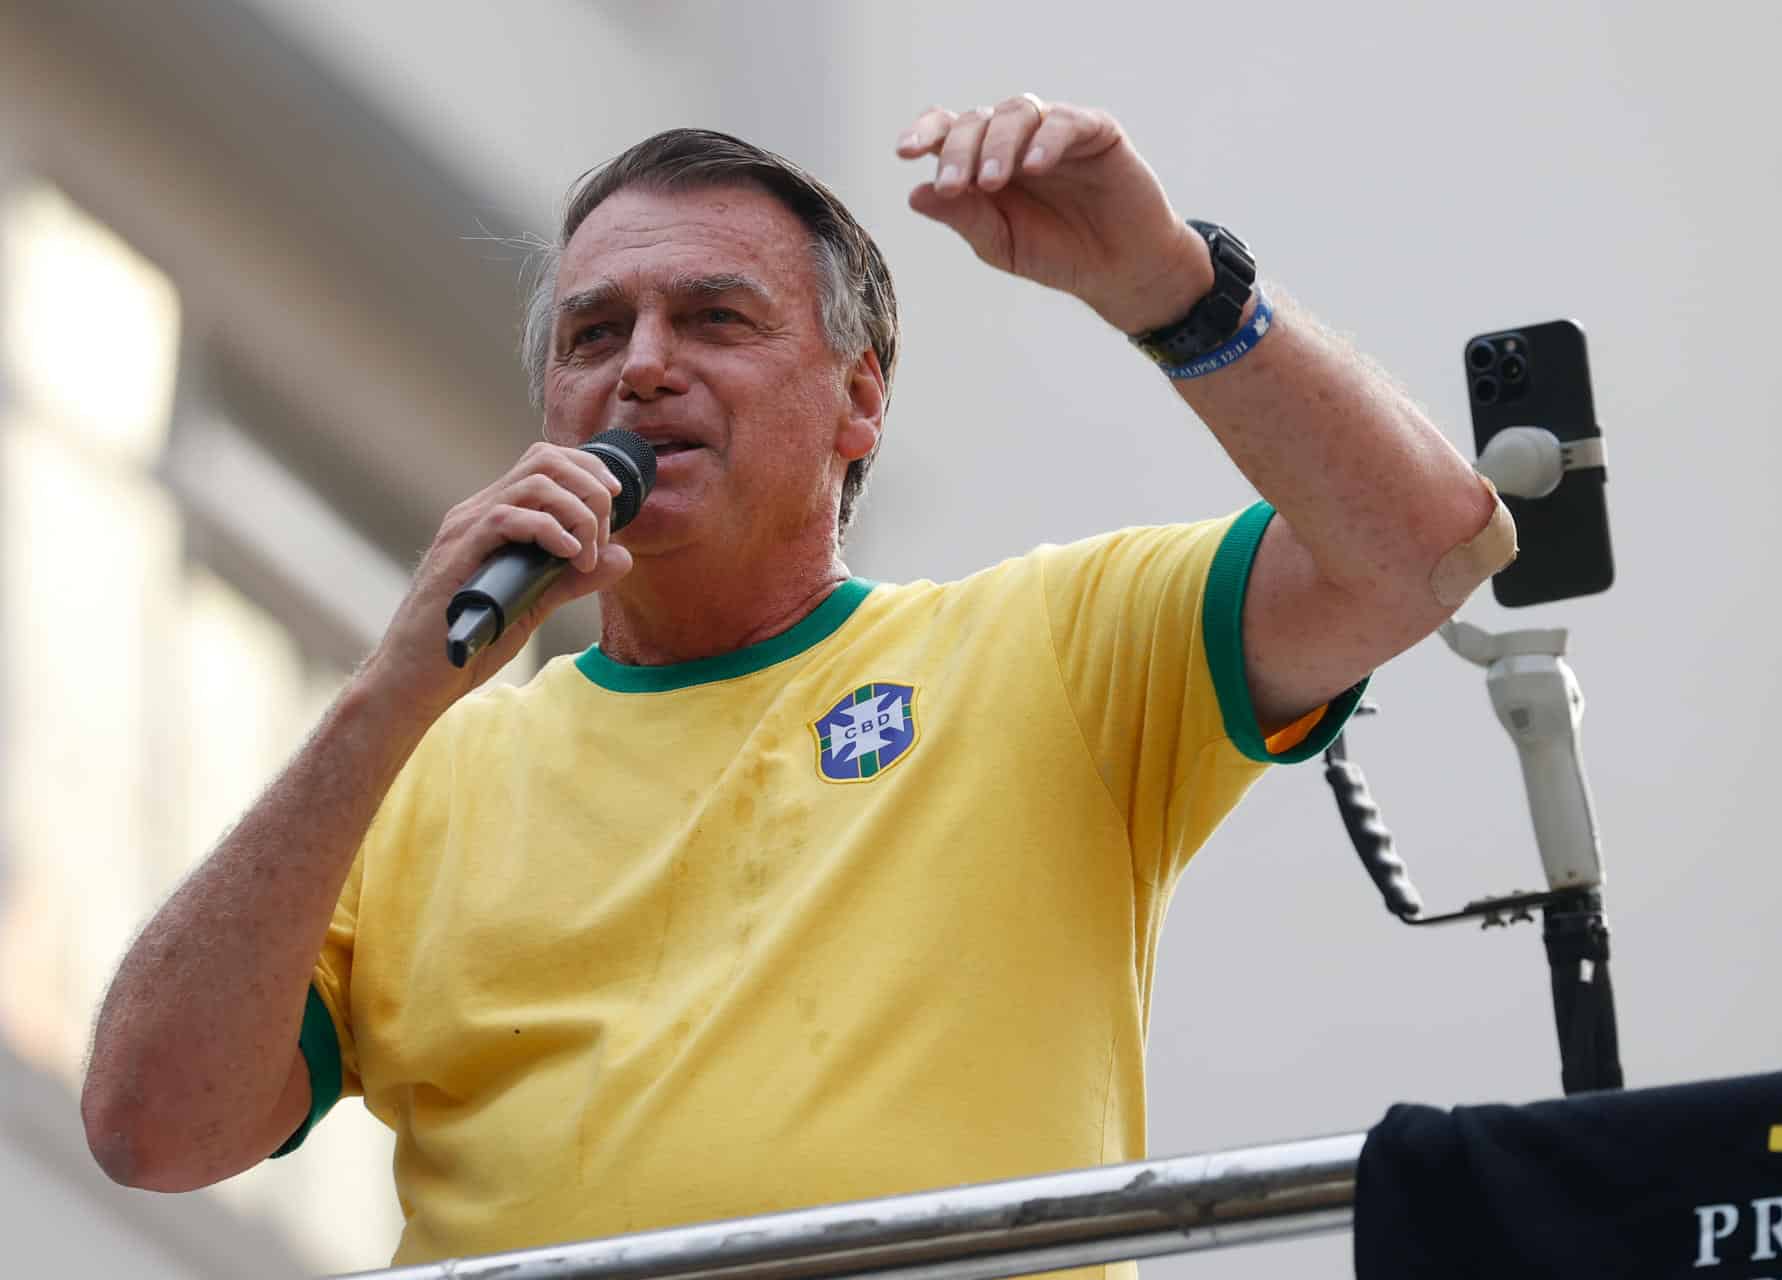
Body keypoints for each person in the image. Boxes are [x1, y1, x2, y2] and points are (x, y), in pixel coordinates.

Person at [80, 94, 1514, 1269]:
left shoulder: (1050, 651)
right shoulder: (418, 770)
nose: (642, 368)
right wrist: (389, 692)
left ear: (860, 398)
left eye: (714, 320)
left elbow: (1428, 548)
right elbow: (151, 1129)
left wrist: (1169, 286)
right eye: (594, 333)